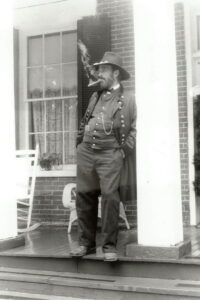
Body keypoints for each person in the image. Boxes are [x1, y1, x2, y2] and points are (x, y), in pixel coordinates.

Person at [70, 52, 137, 261]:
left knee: (110, 197)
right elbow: (85, 121)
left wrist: (122, 150)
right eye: (98, 69)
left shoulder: (129, 98)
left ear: (115, 73)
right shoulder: (95, 95)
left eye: (104, 70)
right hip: (87, 153)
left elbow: (135, 128)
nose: (99, 73)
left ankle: (109, 247)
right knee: (84, 196)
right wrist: (80, 144)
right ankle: (86, 244)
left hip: (111, 154)